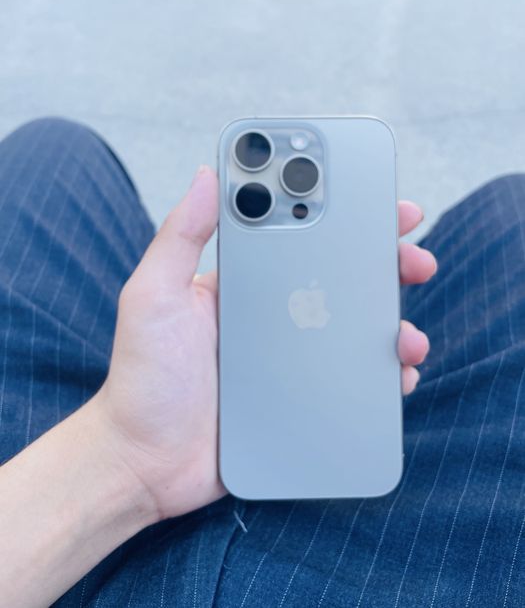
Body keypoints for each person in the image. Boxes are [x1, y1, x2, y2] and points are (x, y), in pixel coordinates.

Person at [0, 118, 522, 608]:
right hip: (389, 572)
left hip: (83, 560)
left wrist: (123, 453)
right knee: (512, 214)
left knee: (54, 149)